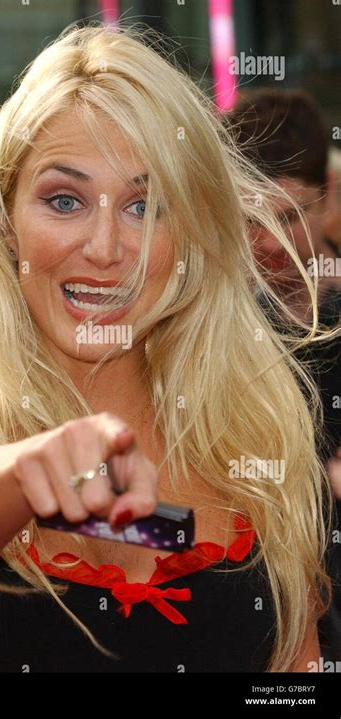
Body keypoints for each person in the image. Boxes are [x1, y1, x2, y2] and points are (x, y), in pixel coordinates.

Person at [0, 23, 333, 673]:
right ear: (6, 225)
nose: (109, 247)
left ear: (192, 233)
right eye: (65, 199)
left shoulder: (258, 449)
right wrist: (31, 469)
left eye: (145, 206)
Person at [227, 89, 341, 662]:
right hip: (252, 596)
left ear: (329, 200)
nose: (269, 242)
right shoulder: (211, 329)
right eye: (250, 217)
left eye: (289, 215)